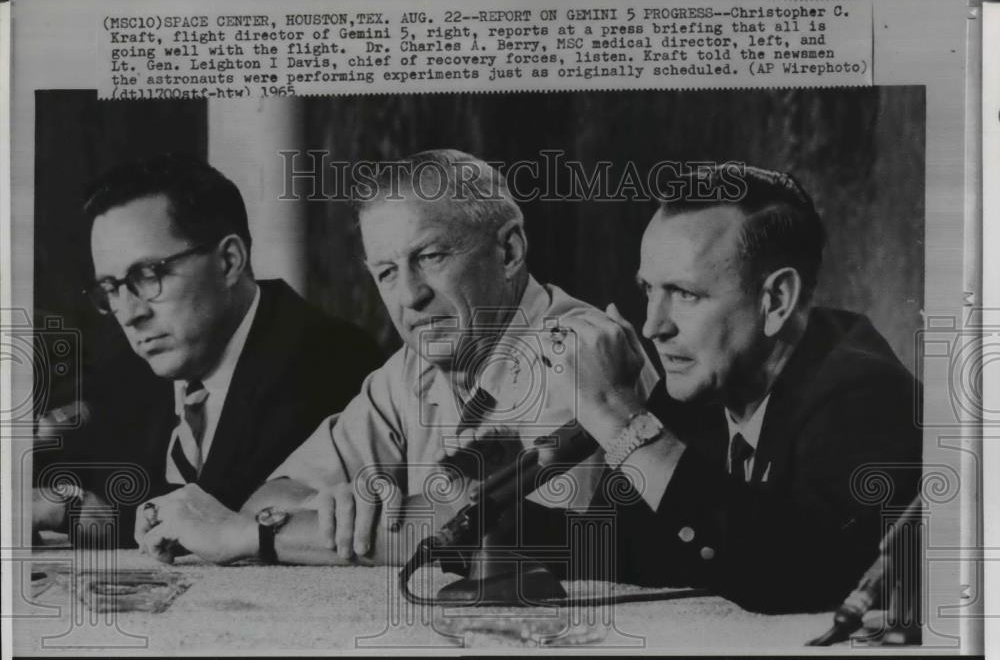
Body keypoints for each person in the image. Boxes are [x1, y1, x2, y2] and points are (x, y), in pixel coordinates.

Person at [134, 149, 658, 566]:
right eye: (386, 272)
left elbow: (511, 538)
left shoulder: (581, 350)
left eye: (430, 257)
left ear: (509, 252)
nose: (408, 296)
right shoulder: (411, 371)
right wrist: (339, 506)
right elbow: (273, 497)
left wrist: (248, 537)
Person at [541, 164, 923, 612]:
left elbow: (802, 576)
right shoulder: (702, 387)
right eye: (649, 290)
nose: (652, 326)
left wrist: (619, 416)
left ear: (776, 300)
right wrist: (484, 521)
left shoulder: (867, 396)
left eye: (685, 294)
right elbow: (629, 550)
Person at [32, 154, 382, 547]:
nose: (129, 314)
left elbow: (230, 518)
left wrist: (77, 511)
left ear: (229, 262)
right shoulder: (126, 368)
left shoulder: (330, 360)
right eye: (112, 290)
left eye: (148, 276)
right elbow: (72, 476)